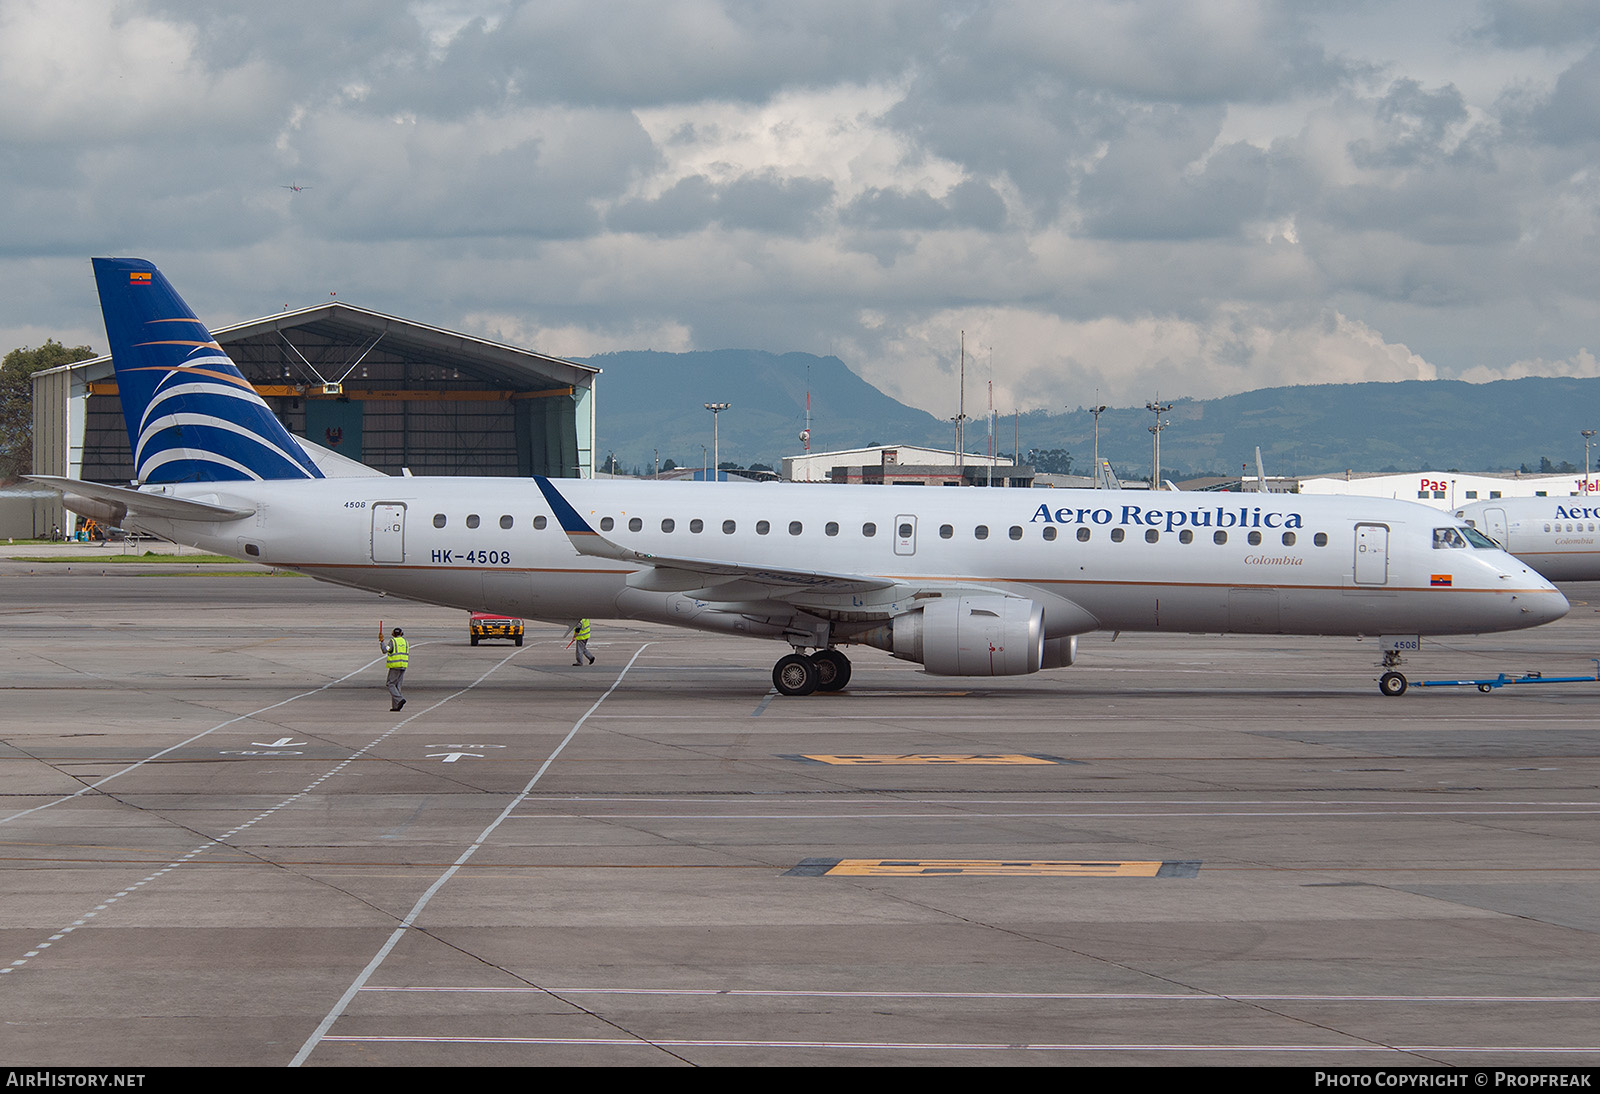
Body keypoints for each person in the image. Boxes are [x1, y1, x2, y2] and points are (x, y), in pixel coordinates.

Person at [382, 627, 408, 710]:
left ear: (393, 633)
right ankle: (396, 706)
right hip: (403, 665)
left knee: (390, 684)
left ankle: (400, 699)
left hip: (395, 665)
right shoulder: (405, 642)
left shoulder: (393, 641)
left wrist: (382, 641)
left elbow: (385, 650)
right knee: (397, 685)